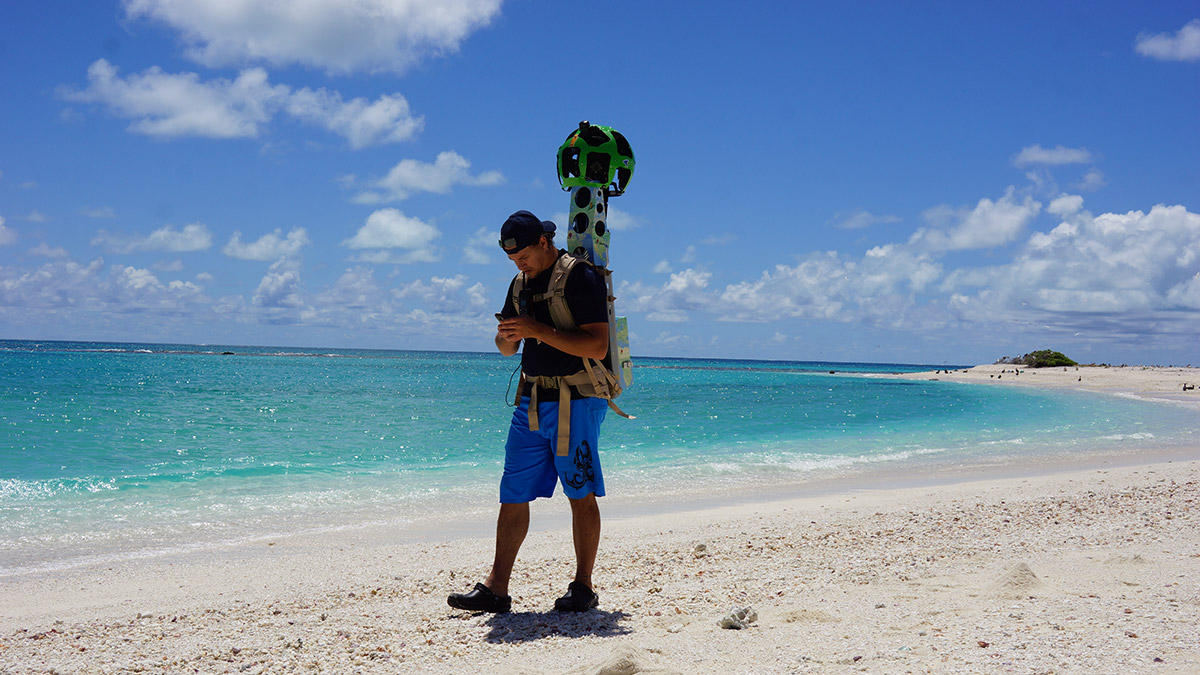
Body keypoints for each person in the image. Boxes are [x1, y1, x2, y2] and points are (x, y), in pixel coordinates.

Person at [447, 210, 610, 614]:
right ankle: (496, 588)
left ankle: (583, 587)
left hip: (576, 400)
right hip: (531, 401)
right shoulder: (519, 284)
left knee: (580, 492)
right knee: (512, 493)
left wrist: (538, 331)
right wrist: (506, 336)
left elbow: (597, 347)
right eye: (512, 259)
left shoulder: (580, 277)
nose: (519, 264)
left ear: (543, 242)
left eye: (523, 256)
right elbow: (508, 350)